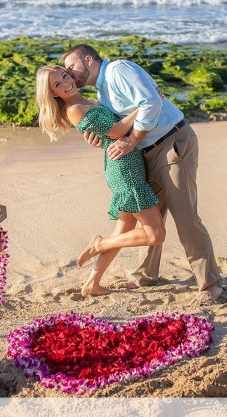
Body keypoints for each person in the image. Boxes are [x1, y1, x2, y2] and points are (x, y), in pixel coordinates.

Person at [62, 44, 223, 303]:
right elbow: (118, 124)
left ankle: (210, 284)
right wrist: (98, 136)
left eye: (71, 67)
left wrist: (132, 140)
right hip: (144, 153)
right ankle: (145, 275)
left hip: (172, 143)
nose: (70, 74)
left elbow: (150, 103)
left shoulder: (118, 70)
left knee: (185, 216)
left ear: (88, 59)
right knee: (151, 215)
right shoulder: (102, 91)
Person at [35, 65, 166, 297]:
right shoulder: (74, 109)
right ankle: (99, 244)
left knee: (123, 230)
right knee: (156, 235)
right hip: (124, 170)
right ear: (53, 94)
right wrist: (145, 104)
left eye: (64, 76)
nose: (66, 83)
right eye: (58, 85)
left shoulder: (88, 100)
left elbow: (107, 134)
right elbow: (116, 131)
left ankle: (91, 284)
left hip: (126, 163)